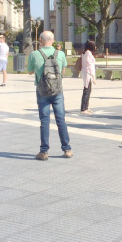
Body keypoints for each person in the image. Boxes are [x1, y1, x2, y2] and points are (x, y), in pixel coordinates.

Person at [27, 31, 72, 160]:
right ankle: (67, 149)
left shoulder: (34, 54)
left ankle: (44, 151)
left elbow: (30, 71)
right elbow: (62, 71)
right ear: (53, 41)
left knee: (44, 121)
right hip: (57, 91)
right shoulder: (60, 54)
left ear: (40, 40)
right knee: (61, 120)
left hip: (42, 91)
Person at [80, 40, 97, 114]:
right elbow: (90, 66)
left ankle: (86, 107)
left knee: (87, 90)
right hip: (88, 74)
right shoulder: (88, 53)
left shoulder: (84, 53)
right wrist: (93, 77)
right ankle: (83, 108)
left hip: (85, 72)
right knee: (87, 90)